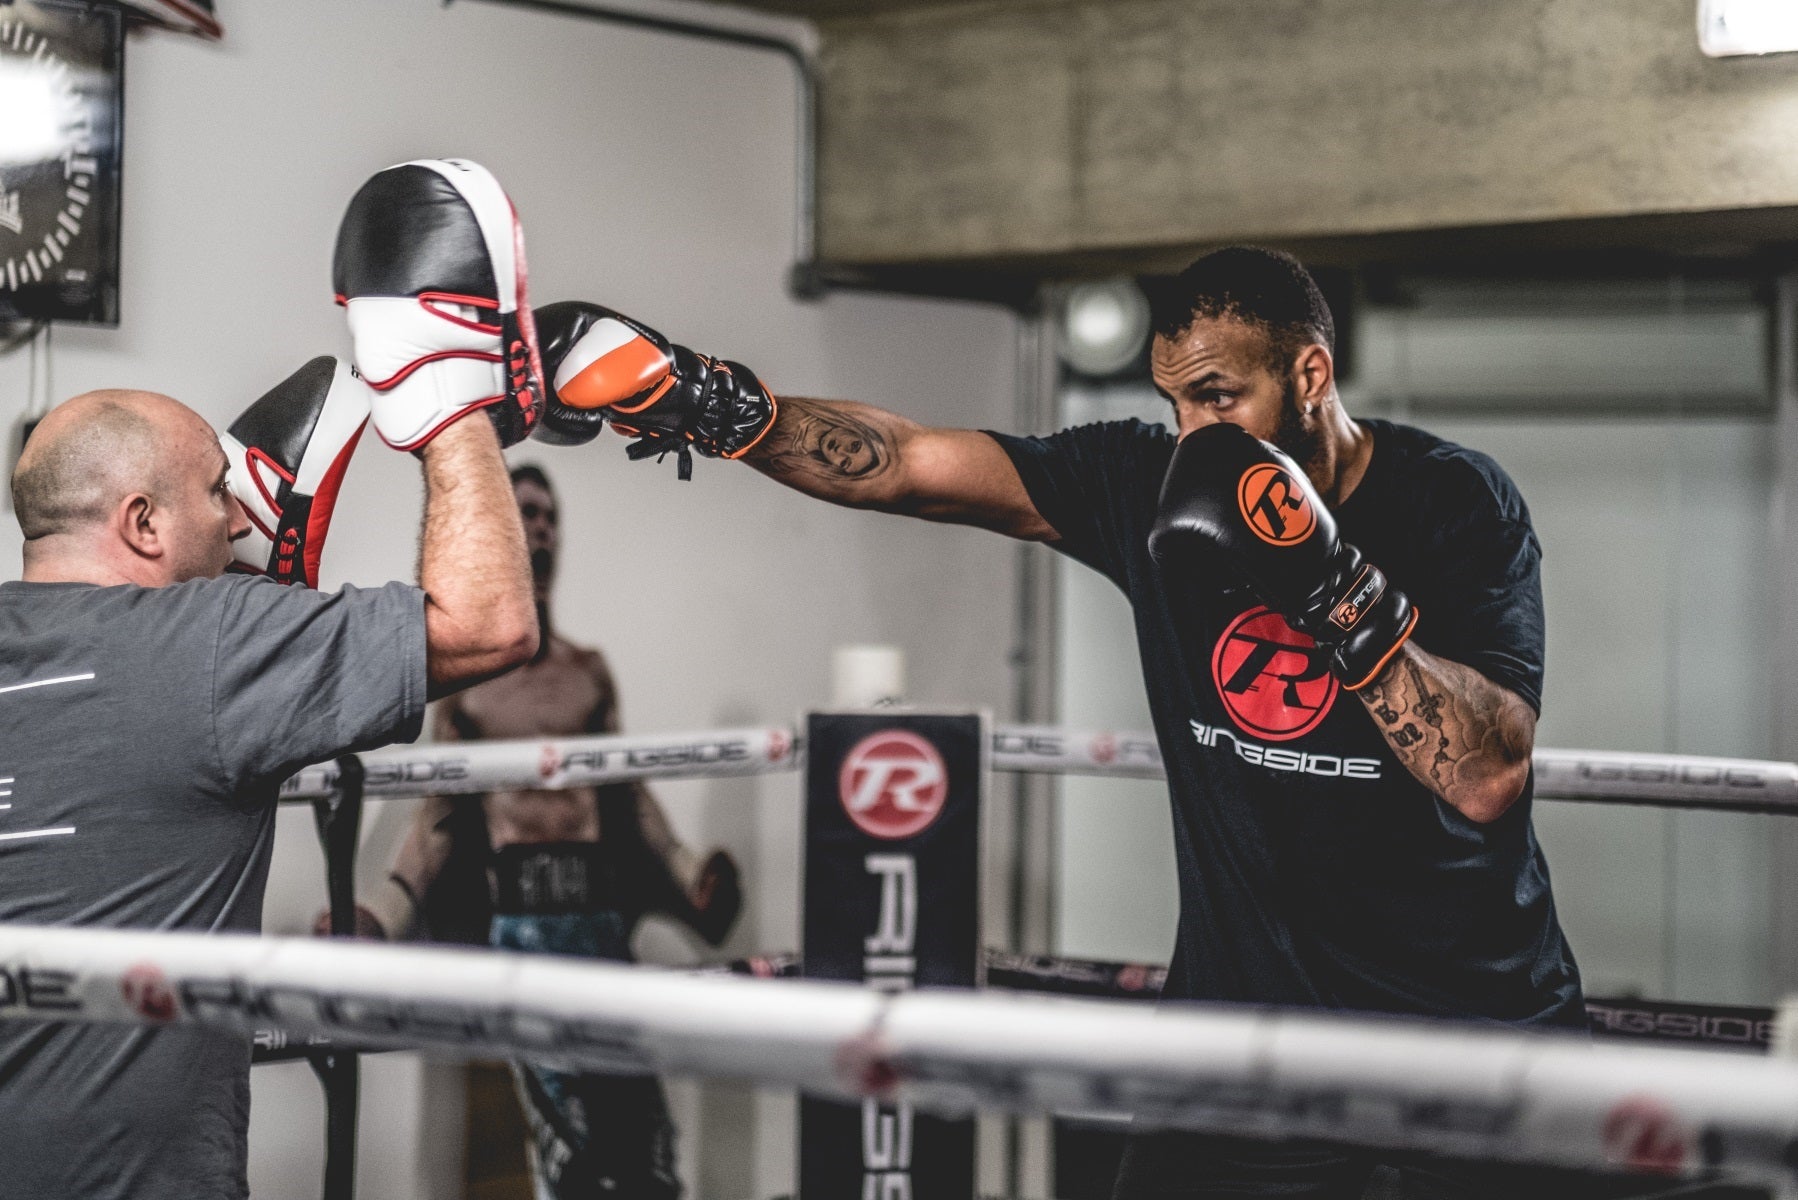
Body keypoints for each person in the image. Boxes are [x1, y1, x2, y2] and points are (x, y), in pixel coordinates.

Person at [530, 248, 1588, 1198]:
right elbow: (904, 461)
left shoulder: (1454, 506)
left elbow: (1485, 775)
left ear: (1309, 375)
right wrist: (706, 401)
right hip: (1244, 1038)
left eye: (1220, 399)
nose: (1194, 439)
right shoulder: (1144, 481)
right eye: (1176, 405)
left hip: (1468, 1032)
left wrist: (1328, 581)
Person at [0, 156, 543, 1200]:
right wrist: (446, 404)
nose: (240, 514)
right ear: (142, 525)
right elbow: (491, 625)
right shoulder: (211, 647)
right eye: (217, 492)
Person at [345, 462, 742, 1200]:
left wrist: (693, 876)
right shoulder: (466, 683)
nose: (540, 525)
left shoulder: (589, 673)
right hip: (517, 932)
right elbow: (441, 814)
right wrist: (381, 916)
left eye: (549, 513)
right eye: (525, 511)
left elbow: (631, 799)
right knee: (551, 1160)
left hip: (600, 925)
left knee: (641, 1153)